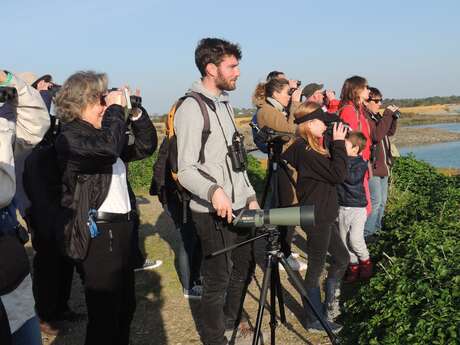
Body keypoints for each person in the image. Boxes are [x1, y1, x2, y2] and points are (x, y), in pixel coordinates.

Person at [53, 71, 156, 345]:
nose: (104, 104)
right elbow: (108, 150)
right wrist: (113, 109)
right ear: (81, 102)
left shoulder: (104, 135)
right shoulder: (71, 136)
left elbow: (146, 147)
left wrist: (134, 113)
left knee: (126, 308)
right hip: (98, 234)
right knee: (105, 316)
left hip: (122, 228)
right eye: (100, 99)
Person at [174, 38, 260, 345]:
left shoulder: (225, 105)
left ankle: (230, 322)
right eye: (232, 66)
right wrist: (213, 192)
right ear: (211, 69)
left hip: (241, 207)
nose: (238, 72)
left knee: (244, 268)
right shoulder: (191, 108)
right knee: (217, 278)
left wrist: (249, 193)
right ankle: (214, 339)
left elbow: (237, 161)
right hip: (212, 212)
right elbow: (185, 170)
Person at [282, 102, 349, 333]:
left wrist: (334, 142)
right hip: (317, 216)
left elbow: (329, 171)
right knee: (315, 268)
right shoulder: (304, 150)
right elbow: (338, 174)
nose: (326, 126)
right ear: (310, 124)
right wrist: (340, 144)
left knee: (341, 258)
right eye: (323, 122)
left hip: (324, 214)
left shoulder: (312, 147)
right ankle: (314, 320)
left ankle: (330, 307)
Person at [0, 70, 49, 345]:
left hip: (6, 247)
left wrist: (9, 81)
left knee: (22, 331)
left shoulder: (1, 117)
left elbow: (35, 128)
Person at [252, 77, 307, 271]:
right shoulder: (268, 111)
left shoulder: (272, 110)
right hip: (281, 166)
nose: (289, 96)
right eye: (287, 92)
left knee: (286, 210)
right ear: (275, 93)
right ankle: (282, 254)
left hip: (283, 165)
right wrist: (297, 108)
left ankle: (283, 252)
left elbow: (285, 131)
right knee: (288, 211)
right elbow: (287, 134)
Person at [363, 87, 399, 240]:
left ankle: (376, 230)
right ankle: (367, 234)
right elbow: (377, 136)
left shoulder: (376, 117)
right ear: (366, 102)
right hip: (373, 166)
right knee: (375, 201)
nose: (379, 104)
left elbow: (388, 133)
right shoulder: (366, 118)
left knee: (382, 201)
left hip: (383, 165)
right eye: (376, 101)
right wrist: (387, 115)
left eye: (380, 100)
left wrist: (393, 118)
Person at [337, 132, 372, 283]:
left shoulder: (361, 163)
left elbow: (352, 179)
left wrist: (340, 163)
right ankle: (353, 266)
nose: (341, 148)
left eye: (344, 145)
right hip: (342, 207)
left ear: (355, 148)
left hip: (357, 208)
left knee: (355, 239)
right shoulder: (341, 161)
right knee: (344, 241)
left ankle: (366, 262)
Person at [338, 76, 372, 214]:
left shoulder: (358, 110)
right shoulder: (349, 111)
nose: (368, 90)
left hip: (360, 162)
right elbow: (350, 141)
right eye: (365, 87)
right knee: (362, 209)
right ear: (356, 90)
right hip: (355, 165)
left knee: (363, 208)